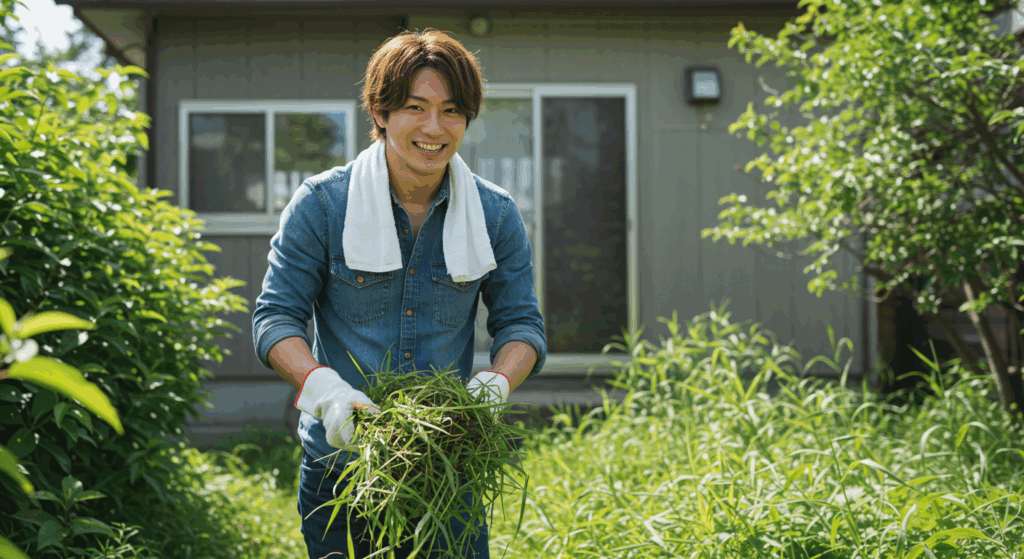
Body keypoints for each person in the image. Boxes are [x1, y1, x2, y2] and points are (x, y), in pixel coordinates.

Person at [252, 29, 546, 559]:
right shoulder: (321, 205)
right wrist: (327, 391)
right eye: (416, 106)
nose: (435, 128)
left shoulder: (495, 214)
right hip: (340, 474)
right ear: (381, 112)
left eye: (452, 110)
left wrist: (496, 384)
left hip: (448, 467)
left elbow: (522, 324)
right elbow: (275, 319)